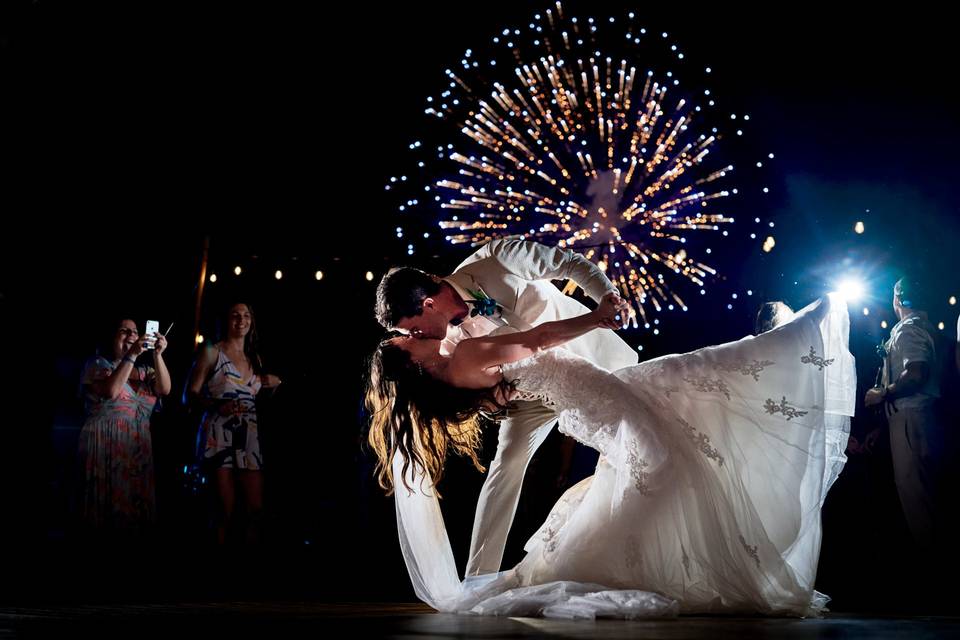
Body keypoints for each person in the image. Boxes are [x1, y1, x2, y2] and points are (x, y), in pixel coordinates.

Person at [367, 292, 855, 618]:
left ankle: (644, 559)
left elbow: (509, 371)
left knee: (687, 388)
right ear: (412, 361)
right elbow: (537, 340)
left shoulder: (453, 368)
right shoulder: (463, 359)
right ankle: (647, 563)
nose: (413, 336)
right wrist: (596, 317)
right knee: (667, 453)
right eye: (405, 341)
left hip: (595, 391)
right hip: (596, 396)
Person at [374, 238, 633, 576]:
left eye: (412, 328)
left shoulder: (497, 258)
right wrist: (491, 405)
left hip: (590, 360)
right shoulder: (445, 347)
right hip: (529, 398)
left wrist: (607, 299)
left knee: (628, 451)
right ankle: (478, 577)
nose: (417, 336)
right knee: (504, 469)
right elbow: (479, 390)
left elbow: (569, 263)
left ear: (427, 304)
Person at [186, 302, 281, 544]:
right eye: (235, 315)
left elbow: (256, 398)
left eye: (246, 315)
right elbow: (190, 395)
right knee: (223, 511)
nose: (241, 320)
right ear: (226, 320)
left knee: (255, 509)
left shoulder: (254, 358)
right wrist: (217, 405)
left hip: (248, 436)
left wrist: (272, 386)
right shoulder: (212, 352)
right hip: (220, 434)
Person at [864, 277, 942, 550]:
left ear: (897, 299)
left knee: (918, 502)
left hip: (912, 421)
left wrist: (882, 393)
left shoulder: (909, 329)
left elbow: (917, 373)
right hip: (916, 421)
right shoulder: (925, 327)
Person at [78, 317, 171, 536]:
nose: (131, 335)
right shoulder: (99, 364)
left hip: (137, 452)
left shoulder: (146, 371)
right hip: (106, 446)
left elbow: (165, 389)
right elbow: (111, 391)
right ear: (112, 338)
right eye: (124, 331)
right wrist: (132, 354)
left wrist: (157, 355)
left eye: (135, 331)